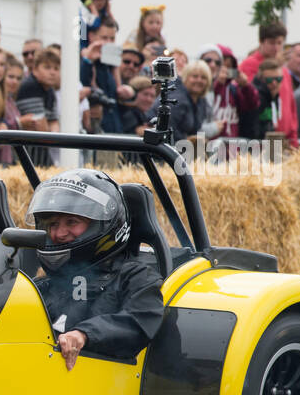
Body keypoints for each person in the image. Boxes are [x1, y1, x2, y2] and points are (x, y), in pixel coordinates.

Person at [25, 169, 164, 369]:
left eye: (72, 222)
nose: (59, 233)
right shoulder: (42, 285)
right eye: (53, 224)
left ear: (103, 224)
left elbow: (139, 321)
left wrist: (83, 334)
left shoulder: (136, 277)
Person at [239, 19, 297, 146]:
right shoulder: (249, 65)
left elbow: (291, 106)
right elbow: (251, 101)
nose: (276, 48)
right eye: (271, 43)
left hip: (284, 139)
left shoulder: (285, 71)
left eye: (279, 43)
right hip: (260, 141)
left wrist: (294, 140)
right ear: (261, 42)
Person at [148, 60, 211, 140]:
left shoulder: (201, 101)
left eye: (203, 77)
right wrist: (187, 142)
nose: (199, 80)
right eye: (195, 76)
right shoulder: (176, 98)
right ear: (186, 77)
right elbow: (169, 129)